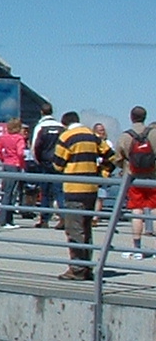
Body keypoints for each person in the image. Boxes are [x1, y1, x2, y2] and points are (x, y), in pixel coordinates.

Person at [53, 111, 113, 280]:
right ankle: (86, 267)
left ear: (65, 124)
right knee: (86, 228)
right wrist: (102, 174)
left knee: (74, 229)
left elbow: (57, 165)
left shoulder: (66, 137)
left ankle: (77, 268)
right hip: (91, 188)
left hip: (74, 188)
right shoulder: (93, 136)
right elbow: (112, 157)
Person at [116, 106, 156, 259]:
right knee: (154, 210)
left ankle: (137, 246)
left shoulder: (125, 136)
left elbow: (118, 158)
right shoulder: (153, 133)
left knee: (137, 211)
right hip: (153, 178)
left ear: (131, 117)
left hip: (134, 179)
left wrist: (124, 167)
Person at [29, 107, 66, 227]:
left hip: (45, 162)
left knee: (45, 193)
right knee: (60, 192)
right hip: (58, 162)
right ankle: (63, 218)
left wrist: (37, 161)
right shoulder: (61, 127)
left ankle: (44, 220)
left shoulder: (40, 127)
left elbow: (35, 146)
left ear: (41, 112)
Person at [0, 117, 28, 229]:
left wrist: (3, 159)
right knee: (11, 193)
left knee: (6, 191)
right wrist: (22, 163)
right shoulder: (19, 139)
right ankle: (3, 220)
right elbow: (20, 152)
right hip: (15, 165)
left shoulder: (3, 137)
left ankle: (8, 219)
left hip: (6, 165)